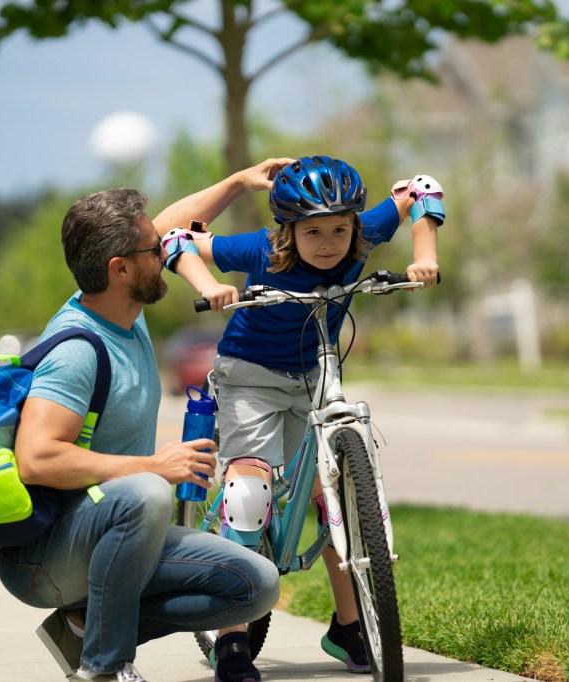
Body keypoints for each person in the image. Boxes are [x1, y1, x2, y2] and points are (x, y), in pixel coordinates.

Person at [0, 159, 294, 682]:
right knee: (147, 491)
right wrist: (155, 465)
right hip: (44, 556)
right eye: (156, 250)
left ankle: (90, 624)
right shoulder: (79, 349)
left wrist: (240, 181)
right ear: (120, 268)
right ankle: (105, 668)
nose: (169, 251)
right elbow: (36, 457)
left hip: (115, 534)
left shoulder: (123, 308)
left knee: (256, 586)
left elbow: (176, 221)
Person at [163, 155, 442, 681]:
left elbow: (421, 190)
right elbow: (175, 241)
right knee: (249, 495)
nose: (330, 242)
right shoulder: (259, 250)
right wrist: (207, 287)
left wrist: (424, 254)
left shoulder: (361, 235)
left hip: (315, 371)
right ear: (288, 229)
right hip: (250, 376)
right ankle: (231, 640)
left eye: (339, 228)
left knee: (332, 496)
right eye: (313, 231)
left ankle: (349, 626)